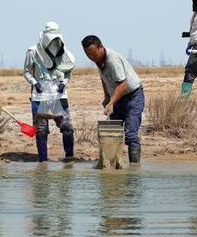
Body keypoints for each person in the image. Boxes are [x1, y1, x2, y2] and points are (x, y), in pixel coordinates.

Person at [81, 35, 144, 163]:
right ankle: (112, 166)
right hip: (117, 97)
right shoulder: (98, 60)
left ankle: (134, 169)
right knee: (111, 135)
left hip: (133, 97)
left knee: (131, 135)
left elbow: (123, 84)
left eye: (93, 53)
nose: (91, 57)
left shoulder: (112, 60)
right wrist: (107, 96)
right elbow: (103, 79)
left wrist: (111, 102)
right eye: (88, 55)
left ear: (101, 47)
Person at [23, 22, 75, 162]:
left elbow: (69, 73)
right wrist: (35, 83)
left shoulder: (64, 52)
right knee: (41, 130)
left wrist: (64, 83)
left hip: (60, 96)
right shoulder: (32, 51)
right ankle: (43, 162)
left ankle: (69, 159)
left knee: (67, 127)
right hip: (39, 97)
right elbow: (26, 72)